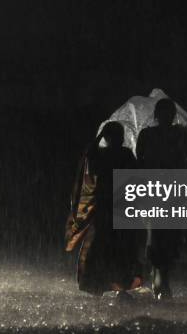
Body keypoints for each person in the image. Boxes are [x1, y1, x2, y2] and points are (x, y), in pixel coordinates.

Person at [66, 121, 143, 297]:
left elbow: (90, 158)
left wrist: (99, 137)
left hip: (108, 205)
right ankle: (118, 285)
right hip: (118, 204)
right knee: (117, 246)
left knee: (104, 245)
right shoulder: (124, 154)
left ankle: (101, 285)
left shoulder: (103, 154)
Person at [136, 99, 187, 299]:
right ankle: (161, 277)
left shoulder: (148, 134)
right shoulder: (180, 134)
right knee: (165, 233)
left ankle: (159, 275)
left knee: (159, 232)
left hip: (159, 188)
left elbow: (139, 162)